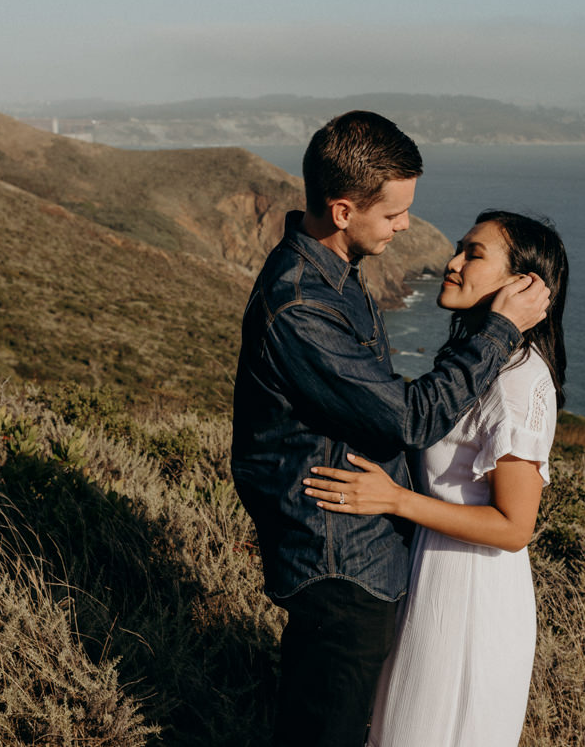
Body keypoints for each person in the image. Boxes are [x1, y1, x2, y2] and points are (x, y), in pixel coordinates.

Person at [231, 112, 551, 747]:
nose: (408, 226)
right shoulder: (302, 305)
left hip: (381, 558)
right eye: (394, 213)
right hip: (339, 560)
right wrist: (498, 330)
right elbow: (408, 418)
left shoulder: (340, 276)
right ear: (344, 210)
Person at [303, 210, 569, 747]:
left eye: (473, 254)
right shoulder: (481, 360)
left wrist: (395, 500)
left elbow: (515, 527)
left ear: (522, 284)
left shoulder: (519, 380)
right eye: (458, 248)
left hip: (472, 597)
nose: (451, 263)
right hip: (434, 576)